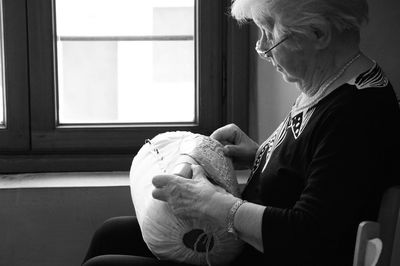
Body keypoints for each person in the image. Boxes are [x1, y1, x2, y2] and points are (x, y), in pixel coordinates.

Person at [82, 0, 400, 265]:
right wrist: (261, 153)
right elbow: (318, 168)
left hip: (271, 255)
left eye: (269, 32)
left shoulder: (359, 113)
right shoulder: (330, 83)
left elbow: (310, 237)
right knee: (111, 234)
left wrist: (211, 203)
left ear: (318, 34)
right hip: (251, 246)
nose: (262, 47)